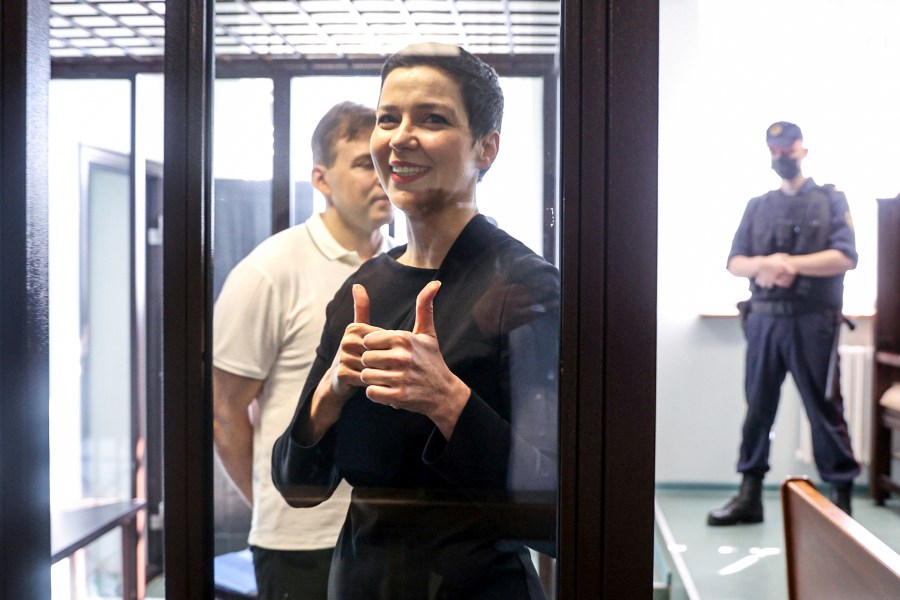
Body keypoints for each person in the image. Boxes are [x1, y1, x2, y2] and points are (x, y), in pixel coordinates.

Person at [272, 43, 559, 600]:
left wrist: (448, 400)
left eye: (432, 119)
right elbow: (298, 486)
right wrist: (329, 394)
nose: (401, 137)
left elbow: (556, 517)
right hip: (360, 584)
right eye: (388, 118)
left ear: (486, 147)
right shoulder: (364, 290)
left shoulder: (526, 287)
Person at [213, 101, 394, 599]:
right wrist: (276, 504)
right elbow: (225, 412)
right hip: (299, 544)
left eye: (384, 161)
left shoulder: (409, 265)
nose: (381, 176)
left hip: (389, 536)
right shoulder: (269, 271)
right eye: (363, 164)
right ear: (321, 179)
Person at [708, 121, 859, 526]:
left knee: (823, 409)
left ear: (802, 151)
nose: (781, 157)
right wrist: (764, 265)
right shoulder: (758, 205)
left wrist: (791, 265)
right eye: (774, 151)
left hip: (813, 323)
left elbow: (845, 257)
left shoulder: (830, 200)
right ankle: (750, 495)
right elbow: (734, 262)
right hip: (764, 324)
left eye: (788, 150)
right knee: (758, 408)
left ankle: (841, 499)